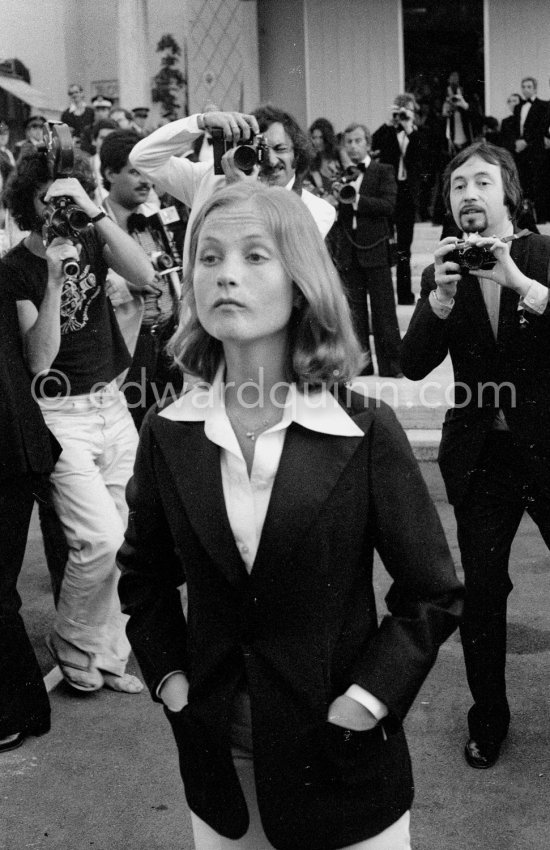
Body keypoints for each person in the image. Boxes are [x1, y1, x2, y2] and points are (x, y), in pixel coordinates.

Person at [117, 181, 463, 850]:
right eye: (209, 257)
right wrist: (171, 680)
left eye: (254, 256)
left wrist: (364, 703)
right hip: (222, 772)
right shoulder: (169, 429)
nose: (225, 275)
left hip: (344, 767)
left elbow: (432, 590)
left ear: (300, 280)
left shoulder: (364, 427)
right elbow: (143, 573)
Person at [401, 140, 550, 770]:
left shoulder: (543, 255)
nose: (467, 193)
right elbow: (411, 367)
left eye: (481, 182)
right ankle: (488, 720)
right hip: (481, 456)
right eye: (458, 185)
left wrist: (524, 286)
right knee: (483, 596)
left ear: (508, 194)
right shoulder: (448, 268)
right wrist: (434, 303)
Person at [2, 150, 154, 695]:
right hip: (59, 414)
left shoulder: (92, 235)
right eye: (47, 202)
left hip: (112, 403)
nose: (56, 213)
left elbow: (146, 276)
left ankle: (107, 656)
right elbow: (39, 360)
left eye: (64, 199)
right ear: (28, 204)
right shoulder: (16, 267)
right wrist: (52, 278)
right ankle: (70, 643)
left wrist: (93, 210)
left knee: (129, 539)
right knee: (100, 539)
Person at [129, 107, 335, 271]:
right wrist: (202, 121)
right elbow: (142, 158)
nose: (271, 160)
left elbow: (278, 262)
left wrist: (241, 192)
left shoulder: (317, 210)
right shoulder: (209, 181)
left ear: (297, 155)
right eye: (260, 150)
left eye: (280, 149)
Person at [0, 281, 60, 753]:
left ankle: (14, 714)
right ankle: (27, 710)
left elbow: (37, 360)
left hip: (11, 448)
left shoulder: (6, 276)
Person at [100, 129, 183, 428]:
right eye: (135, 172)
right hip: (128, 349)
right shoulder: (95, 224)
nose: (146, 181)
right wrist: (129, 285)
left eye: (148, 172)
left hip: (168, 343)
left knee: (172, 428)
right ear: (110, 173)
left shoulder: (153, 220)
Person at [333, 122, 402, 376]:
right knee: (355, 313)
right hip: (349, 249)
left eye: (357, 141)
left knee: (384, 310)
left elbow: (388, 205)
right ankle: (361, 365)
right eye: (348, 142)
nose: (352, 146)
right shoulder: (341, 174)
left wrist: (357, 200)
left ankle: (392, 365)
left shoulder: (383, 170)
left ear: (368, 144)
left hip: (374, 247)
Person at [372, 93, 424, 305]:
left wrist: (409, 128)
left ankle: (404, 294)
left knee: (404, 246)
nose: (402, 114)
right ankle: (384, 294)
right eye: (399, 109)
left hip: (407, 195)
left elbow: (423, 157)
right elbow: (375, 144)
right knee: (385, 243)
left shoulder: (418, 135)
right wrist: (389, 122)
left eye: (406, 110)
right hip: (388, 192)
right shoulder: (386, 133)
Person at [511, 76, 548, 221]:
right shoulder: (519, 107)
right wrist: (517, 142)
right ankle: (526, 216)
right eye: (523, 86)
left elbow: (541, 127)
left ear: (535, 89)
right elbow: (515, 127)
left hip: (535, 149)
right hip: (521, 151)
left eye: (528, 86)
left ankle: (541, 217)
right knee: (523, 181)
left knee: (538, 182)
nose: (525, 89)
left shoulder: (543, 105)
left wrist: (526, 141)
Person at [306, 116, 342, 197]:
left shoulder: (339, 156)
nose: (317, 142)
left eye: (321, 137)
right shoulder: (311, 162)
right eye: (314, 137)